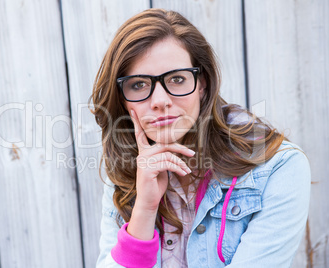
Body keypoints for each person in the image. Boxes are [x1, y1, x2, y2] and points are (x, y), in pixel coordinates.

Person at [91, 8, 311, 267]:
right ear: (122, 98)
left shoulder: (279, 168)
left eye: (177, 79)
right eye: (138, 84)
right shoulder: (128, 175)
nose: (160, 101)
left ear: (202, 84)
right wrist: (145, 210)